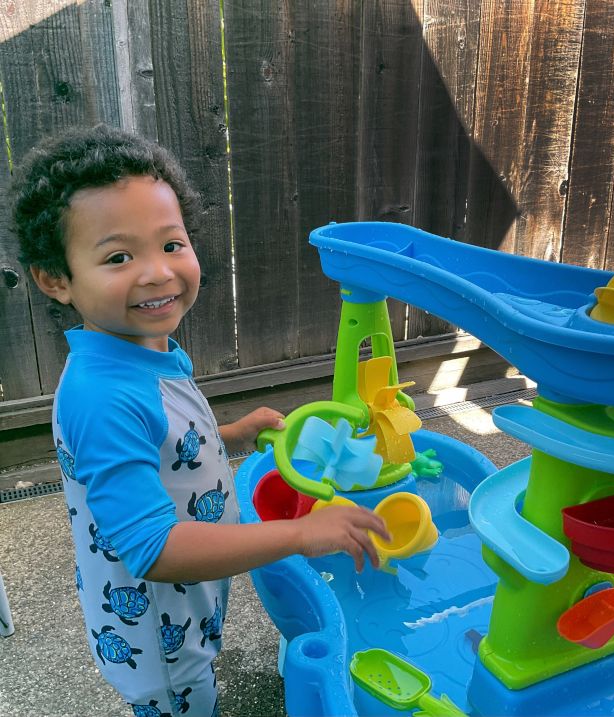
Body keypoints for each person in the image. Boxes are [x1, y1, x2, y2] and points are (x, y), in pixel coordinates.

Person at [12, 125, 389, 717]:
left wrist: (228, 434)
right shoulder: (100, 398)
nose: (157, 272)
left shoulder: (143, 345)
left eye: (171, 245)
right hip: (154, 631)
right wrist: (299, 534)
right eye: (118, 256)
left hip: (181, 604)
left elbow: (159, 441)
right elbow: (155, 547)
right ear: (56, 278)